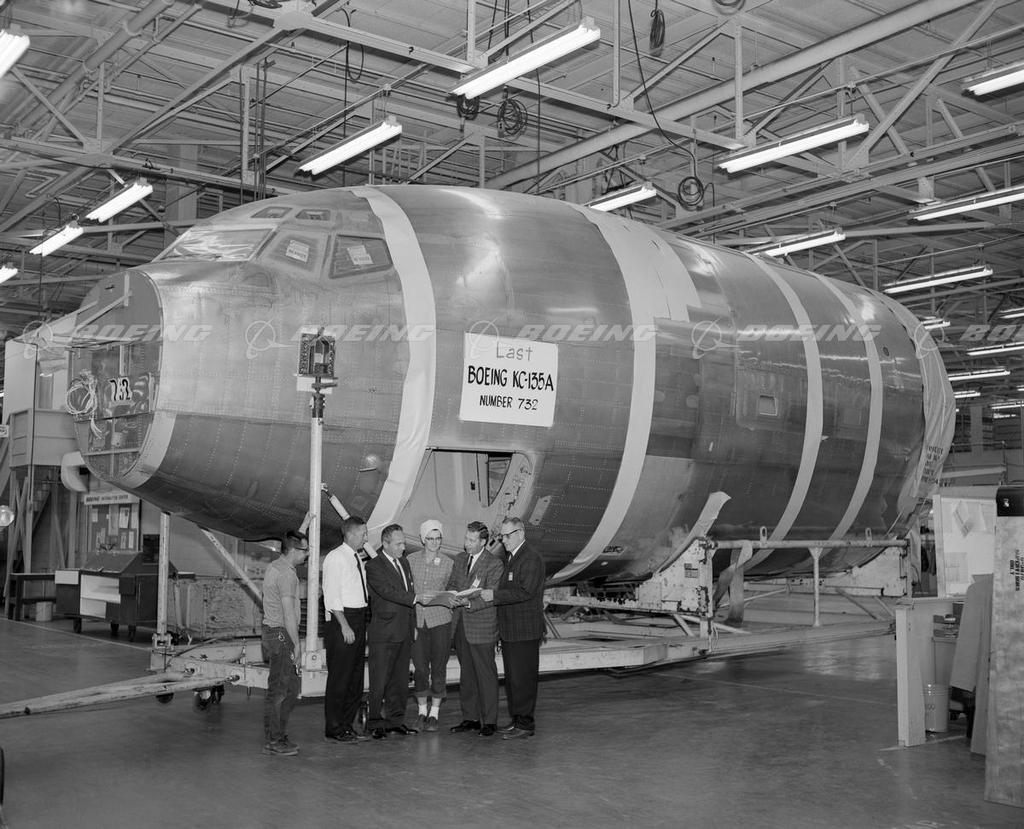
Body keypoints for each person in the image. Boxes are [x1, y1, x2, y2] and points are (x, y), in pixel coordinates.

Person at [481, 515, 545, 740]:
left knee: (523, 678)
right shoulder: (513, 557)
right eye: (502, 536)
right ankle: (517, 720)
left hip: (524, 631)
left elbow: (525, 592)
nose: (504, 540)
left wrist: (494, 595)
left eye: (507, 536)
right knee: (514, 679)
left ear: (520, 533)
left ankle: (525, 724)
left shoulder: (531, 558)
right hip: (511, 630)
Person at [446, 521, 504, 736]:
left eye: (471, 540)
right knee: (467, 675)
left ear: (483, 542)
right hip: (461, 626)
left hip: (482, 627)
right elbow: (452, 583)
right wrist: (451, 595)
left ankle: (489, 721)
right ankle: (470, 718)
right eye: (466, 539)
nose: (466, 543)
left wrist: (469, 603)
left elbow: (492, 595)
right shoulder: (460, 559)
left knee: (486, 676)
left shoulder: (494, 564)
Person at [365, 523, 419, 739]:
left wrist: (413, 624)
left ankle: (396, 721)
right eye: (398, 544)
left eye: (403, 543)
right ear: (385, 544)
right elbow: (388, 592)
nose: (403, 548)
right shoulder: (374, 566)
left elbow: (409, 589)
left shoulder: (404, 562)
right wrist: (416, 598)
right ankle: (375, 722)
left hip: (404, 630)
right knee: (379, 680)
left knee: (400, 679)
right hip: (384, 632)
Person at [321, 515, 371, 744]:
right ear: (350, 534)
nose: (366, 538)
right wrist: (345, 626)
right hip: (343, 620)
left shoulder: (355, 557)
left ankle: (346, 725)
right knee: (340, 678)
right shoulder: (335, 558)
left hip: (358, 618)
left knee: (355, 678)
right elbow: (332, 596)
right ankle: (334, 727)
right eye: (363, 534)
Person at [260, 530, 309, 756]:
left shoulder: (275, 566)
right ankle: (274, 739)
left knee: (288, 687)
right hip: (281, 635)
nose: (307, 554)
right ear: (294, 551)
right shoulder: (287, 575)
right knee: (281, 690)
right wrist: (297, 644)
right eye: (305, 550)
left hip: (272, 633)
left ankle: (276, 733)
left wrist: (305, 524)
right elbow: (288, 614)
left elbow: (291, 538)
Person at [406, 519, 454, 732]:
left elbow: (453, 591)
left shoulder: (448, 563)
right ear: (422, 539)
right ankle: (421, 711)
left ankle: (434, 713)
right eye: (430, 538)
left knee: (439, 667)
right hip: (417, 620)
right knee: (420, 668)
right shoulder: (410, 560)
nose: (434, 542)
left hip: (441, 620)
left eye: (438, 538)